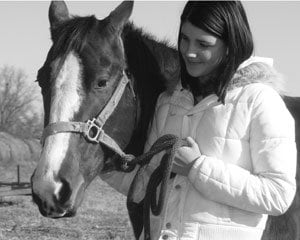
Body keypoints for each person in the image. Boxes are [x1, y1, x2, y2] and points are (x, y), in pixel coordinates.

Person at [101, 1, 297, 239]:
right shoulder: (169, 102)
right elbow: (145, 184)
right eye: (184, 39)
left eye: (203, 44)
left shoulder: (261, 101)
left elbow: (277, 195)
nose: (189, 52)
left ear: (230, 45)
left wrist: (197, 168)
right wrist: (104, 165)